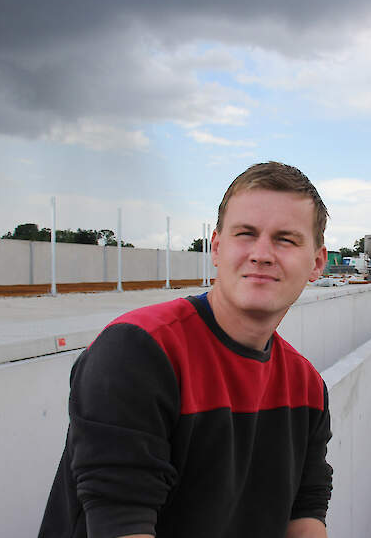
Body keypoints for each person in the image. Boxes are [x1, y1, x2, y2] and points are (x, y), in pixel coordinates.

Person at [39, 162, 333, 538]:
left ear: (317, 262)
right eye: (245, 234)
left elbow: (305, 511)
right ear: (216, 248)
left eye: (286, 239)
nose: (262, 254)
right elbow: (122, 522)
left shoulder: (306, 386)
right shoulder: (139, 351)